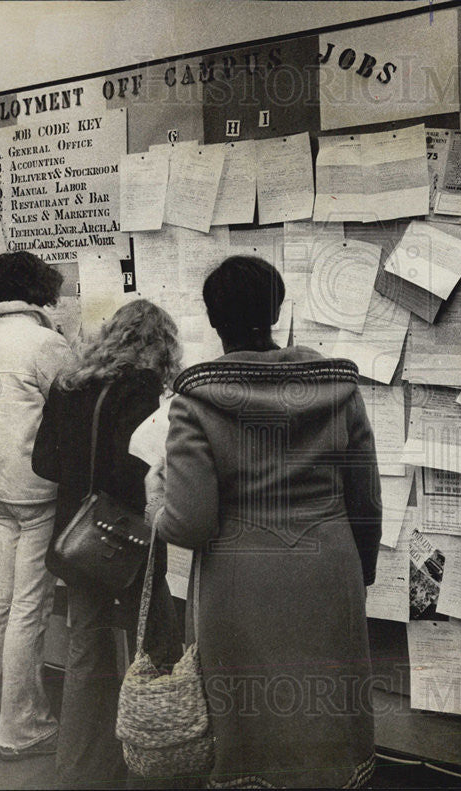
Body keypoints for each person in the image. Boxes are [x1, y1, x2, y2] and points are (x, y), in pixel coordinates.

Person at [147, 255, 382, 789]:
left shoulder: (196, 399)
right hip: (329, 567)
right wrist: (359, 574)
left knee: (251, 728)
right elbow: (365, 497)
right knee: (327, 715)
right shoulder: (337, 386)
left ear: (212, 320)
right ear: (276, 310)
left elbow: (189, 523)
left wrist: (154, 502)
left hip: (240, 581)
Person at [32, 299, 183, 788]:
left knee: (85, 651)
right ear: (160, 346)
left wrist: (82, 475)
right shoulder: (141, 390)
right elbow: (134, 472)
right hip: (128, 540)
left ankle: (79, 769)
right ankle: (158, 761)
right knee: (156, 645)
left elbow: (44, 466)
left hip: (77, 541)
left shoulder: (69, 383)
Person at [0, 250, 74, 760]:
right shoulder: (44, 342)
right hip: (37, 490)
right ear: (39, 288)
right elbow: (75, 398)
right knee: (31, 607)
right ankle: (21, 728)